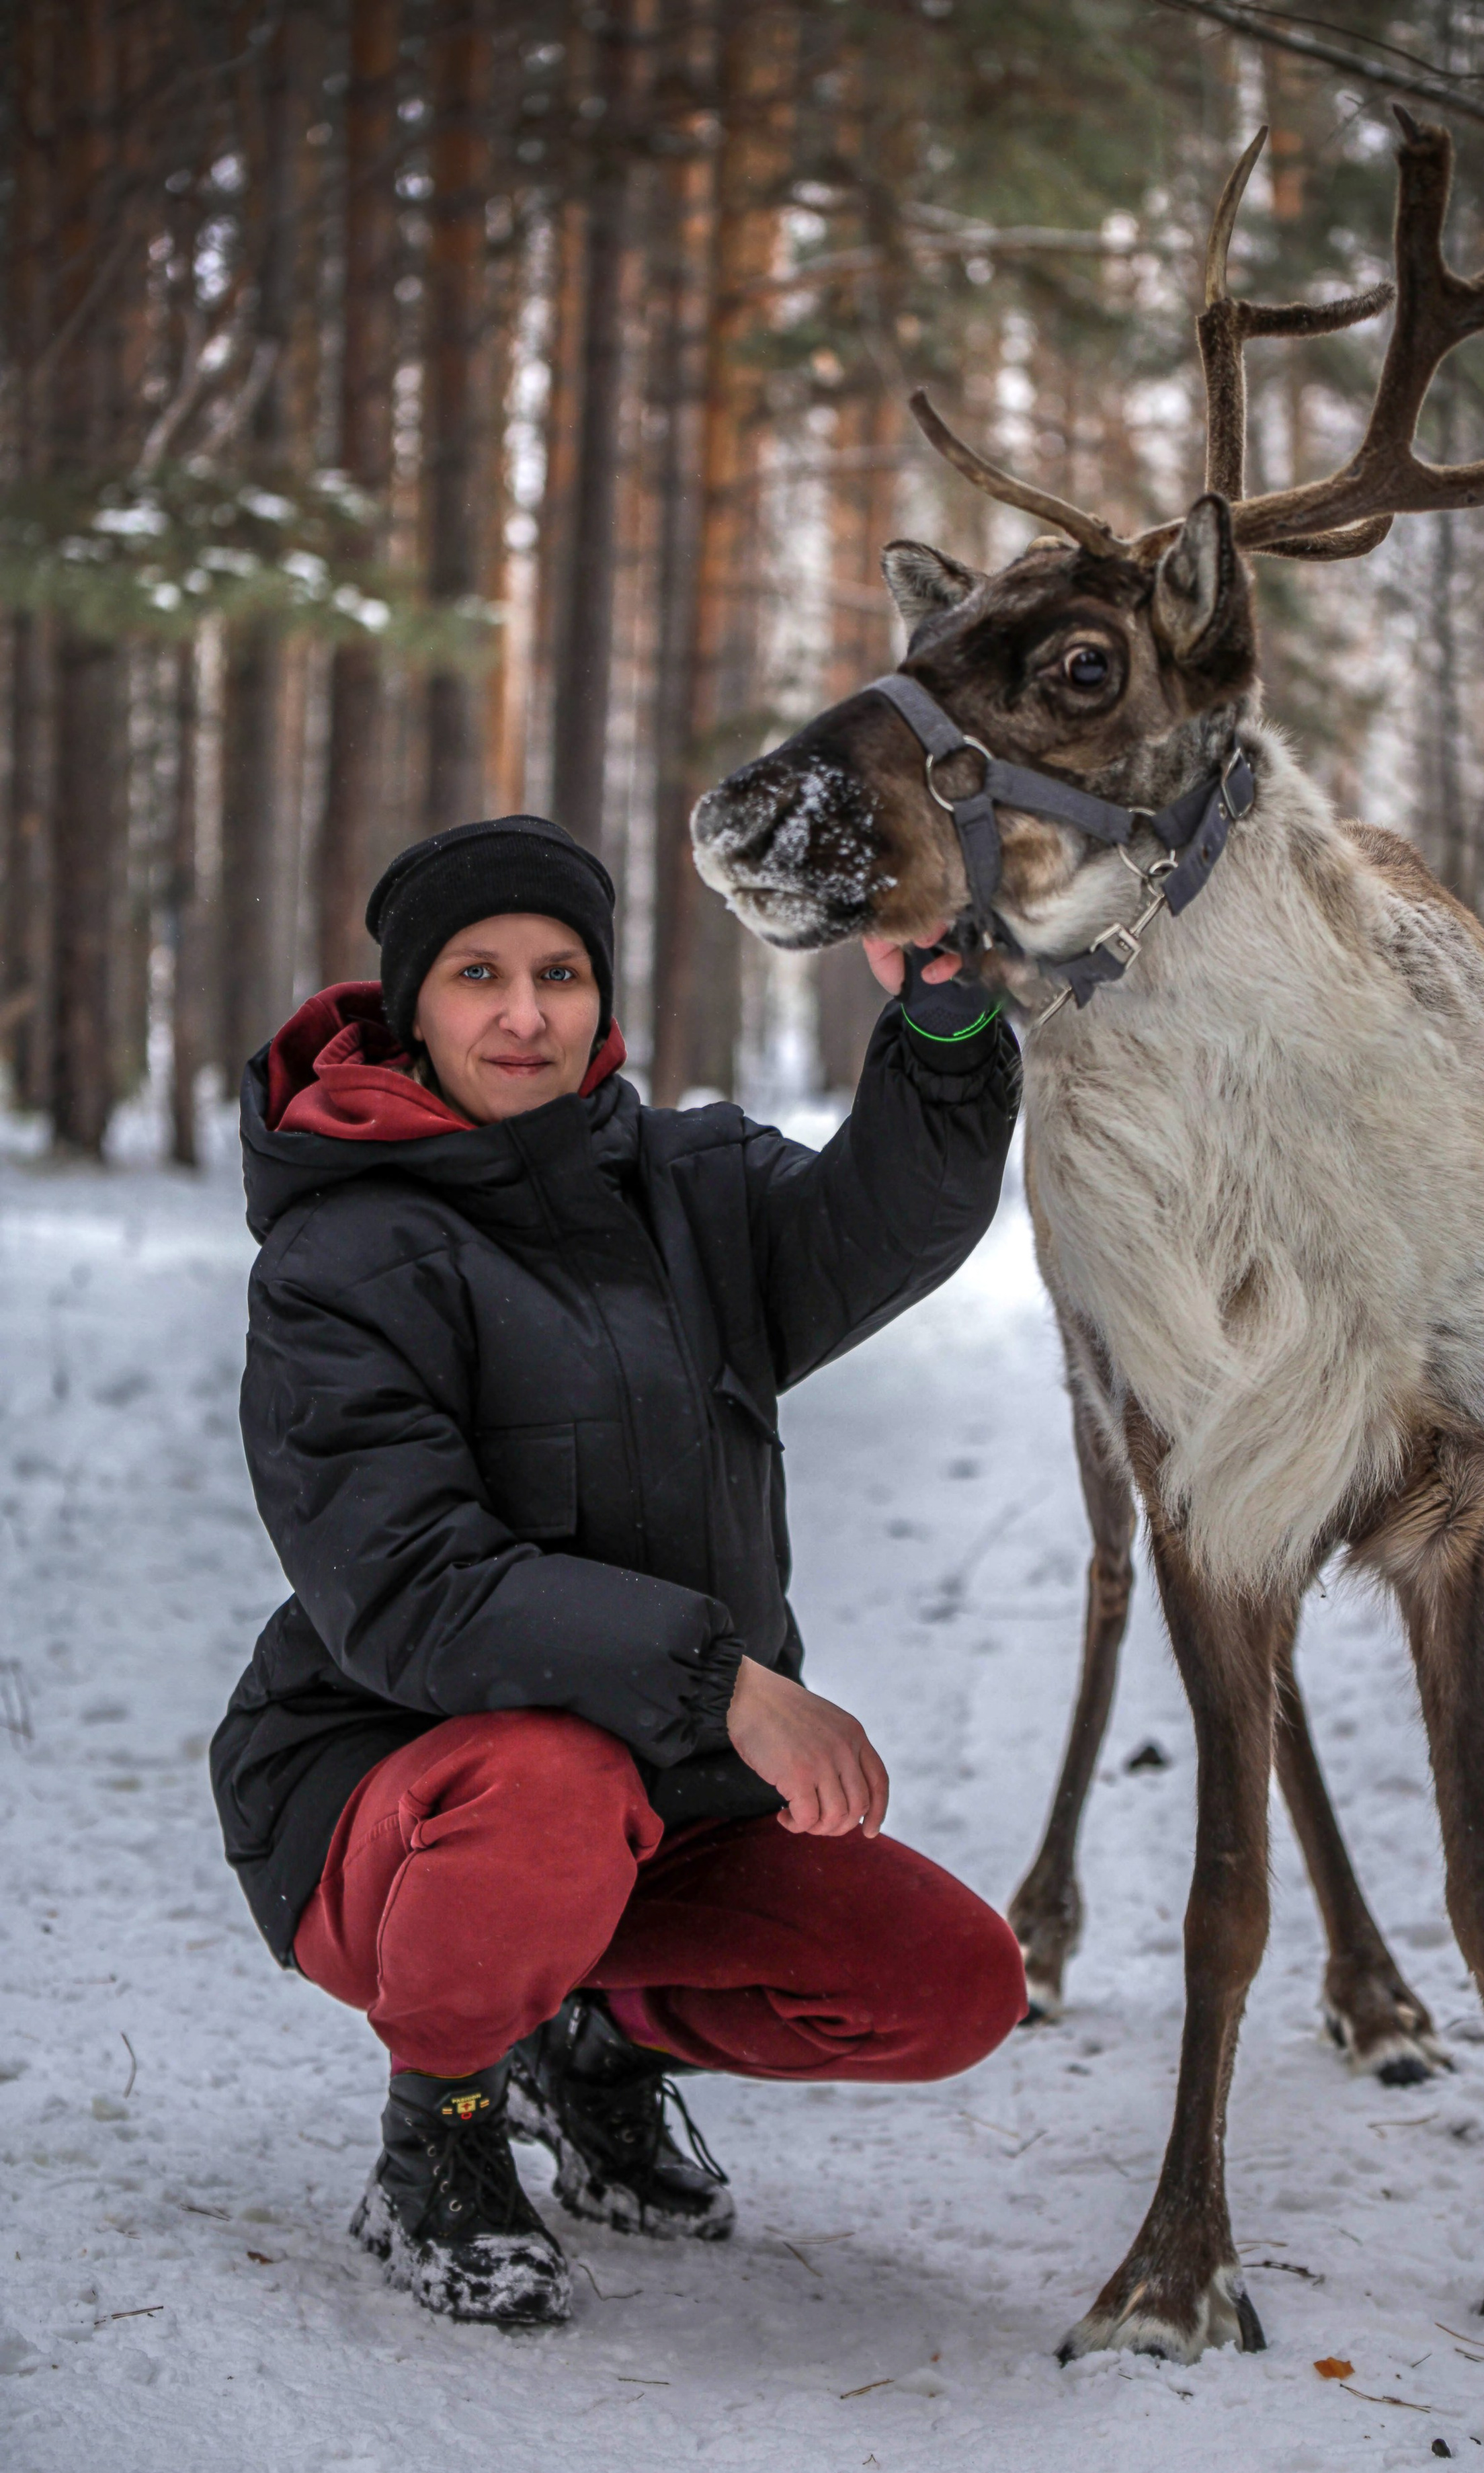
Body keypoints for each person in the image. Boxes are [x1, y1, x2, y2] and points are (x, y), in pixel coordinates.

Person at [212, 813, 1026, 2326]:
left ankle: (588, 2044)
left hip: (662, 1806)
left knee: (946, 1982)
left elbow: (885, 1222)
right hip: (393, 1814)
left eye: (560, 973)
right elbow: (410, 1588)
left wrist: (942, 1018)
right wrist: (724, 1686)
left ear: (602, 996)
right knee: (548, 1787)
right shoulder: (336, 1263)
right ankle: (438, 2141)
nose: (525, 1014)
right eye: (477, 975)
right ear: (412, 1004)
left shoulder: (688, 1188)